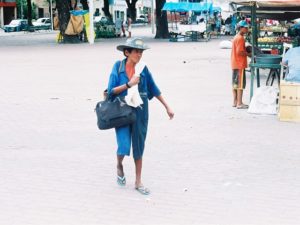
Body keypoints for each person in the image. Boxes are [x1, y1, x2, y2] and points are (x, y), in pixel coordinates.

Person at [106, 38, 174, 195]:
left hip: (140, 112)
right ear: (127, 52)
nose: (139, 54)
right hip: (121, 112)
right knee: (123, 146)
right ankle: (119, 164)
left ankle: (138, 182)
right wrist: (129, 84)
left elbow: (154, 88)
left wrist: (167, 107)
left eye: (141, 52)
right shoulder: (118, 67)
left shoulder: (143, 69)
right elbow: (111, 90)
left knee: (139, 147)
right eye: (136, 51)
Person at [231, 20, 251, 109]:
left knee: (235, 83)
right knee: (240, 84)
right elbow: (240, 52)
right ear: (241, 28)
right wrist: (248, 54)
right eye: (246, 28)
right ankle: (239, 103)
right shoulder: (240, 38)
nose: (247, 29)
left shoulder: (236, 37)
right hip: (239, 63)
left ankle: (235, 102)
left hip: (235, 63)